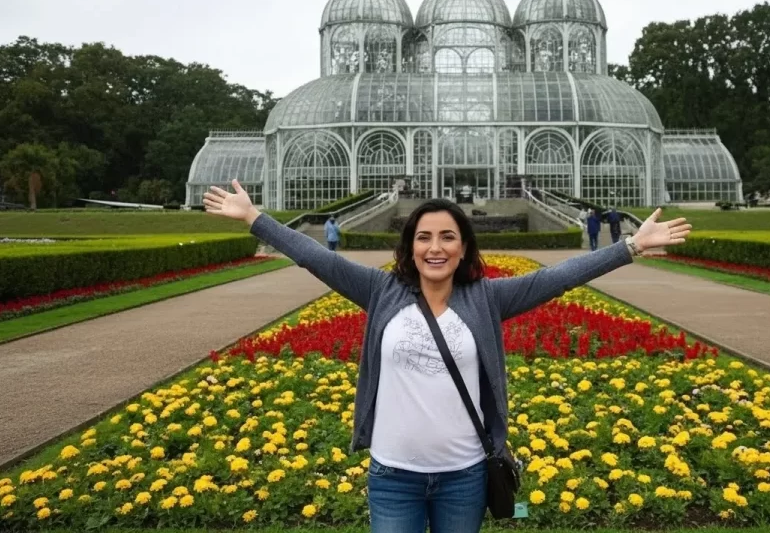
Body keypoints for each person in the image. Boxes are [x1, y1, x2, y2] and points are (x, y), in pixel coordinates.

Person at [202, 180, 691, 533]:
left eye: (447, 237)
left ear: (462, 249)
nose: (435, 247)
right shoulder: (380, 290)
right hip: (393, 474)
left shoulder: (487, 298)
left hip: (465, 475)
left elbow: (557, 278)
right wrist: (253, 217)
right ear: (411, 247)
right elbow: (317, 258)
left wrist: (630, 246)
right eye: (424, 237)